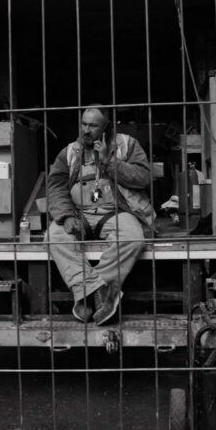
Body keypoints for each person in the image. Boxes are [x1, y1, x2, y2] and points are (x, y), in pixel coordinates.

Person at [46, 106, 154, 325]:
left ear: (107, 127)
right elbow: (55, 187)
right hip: (79, 213)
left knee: (133, 237)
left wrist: (108, 162)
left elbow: (143, 178)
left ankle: (88, 294)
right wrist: (66, 216)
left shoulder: (127, 144)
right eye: (83, 124)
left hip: (117, 212)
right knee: (54, 236)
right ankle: (101, 294)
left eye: (93, 125)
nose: (86, 130)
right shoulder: (70, 151)